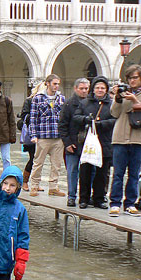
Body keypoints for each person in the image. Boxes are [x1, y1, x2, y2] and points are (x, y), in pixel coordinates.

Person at [73, 76, 116, 209]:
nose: (100, 90)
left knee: (102, 173)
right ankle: (84, 199)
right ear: (94, 89)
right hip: (88, 143)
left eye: (102, 88)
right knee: (85, 172)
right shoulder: (85, 103)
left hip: (105, 142)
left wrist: (101, 124)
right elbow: (76, 117)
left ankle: (99, 198)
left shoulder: (112, 104)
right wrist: (87, 119)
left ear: (106, 90)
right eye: (97, 87)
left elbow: (115, 119)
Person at [108, 64, 141, 217]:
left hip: (138, 139)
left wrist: (135, 100)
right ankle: (115, 203)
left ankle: (130, 204)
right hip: (120, 138)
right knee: (118, 173)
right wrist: (117, 98)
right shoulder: (123, 93)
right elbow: (114, 113)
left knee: (134, 174)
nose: (132, 81)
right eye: (129, 78)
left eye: (135, 77)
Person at [28, 74, 66, 197]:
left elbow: (64, 118)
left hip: (57, 136)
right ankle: (34, 186)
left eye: (58, 84)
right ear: (47, 83)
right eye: (54, 83)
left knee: (57, 164)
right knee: (38, 162)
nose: (56, 86)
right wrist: (33, 135)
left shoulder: (61, 98)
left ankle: (53, 187)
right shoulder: (38, 98)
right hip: (43, 136)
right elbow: (33, 118)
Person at [58, 78, 90, 206]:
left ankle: (85, 197)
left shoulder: (91, 103)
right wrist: (67, 143)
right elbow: (62, 125)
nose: (84, 91)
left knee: (88, 172)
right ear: (75, 89)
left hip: (87, 144)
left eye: (86, 88)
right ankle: (71, 196)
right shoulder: (69, 104)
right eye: (81, 88)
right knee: (72, 171)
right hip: (72, 143)